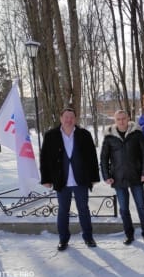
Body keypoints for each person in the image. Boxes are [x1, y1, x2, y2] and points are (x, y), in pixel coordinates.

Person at [40, 107, 100, 251]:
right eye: (66, 117)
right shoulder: (50, 136)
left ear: (75, 119)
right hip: (61, 180)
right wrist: (46, 179)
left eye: (71, 117)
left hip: (81, 179)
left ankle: (88, 237)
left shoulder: (84, 134)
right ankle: (63, 239)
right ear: (61, 119)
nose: (69, 120)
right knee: (63, 211)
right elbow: (45, 159)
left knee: (84, 209)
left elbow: (92, 157)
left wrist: (93, 177)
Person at [100, 110, 144, 246]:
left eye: (123, 118)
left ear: (128, 118)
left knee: (141, 207)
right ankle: (129, 235)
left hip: (136, 176)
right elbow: (104, 158)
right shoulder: (109, 137)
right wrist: (106, 176)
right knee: (124, 209)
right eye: (118, 119)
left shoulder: (137, 134)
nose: (121, 121)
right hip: (118, 178)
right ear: (115, 120)